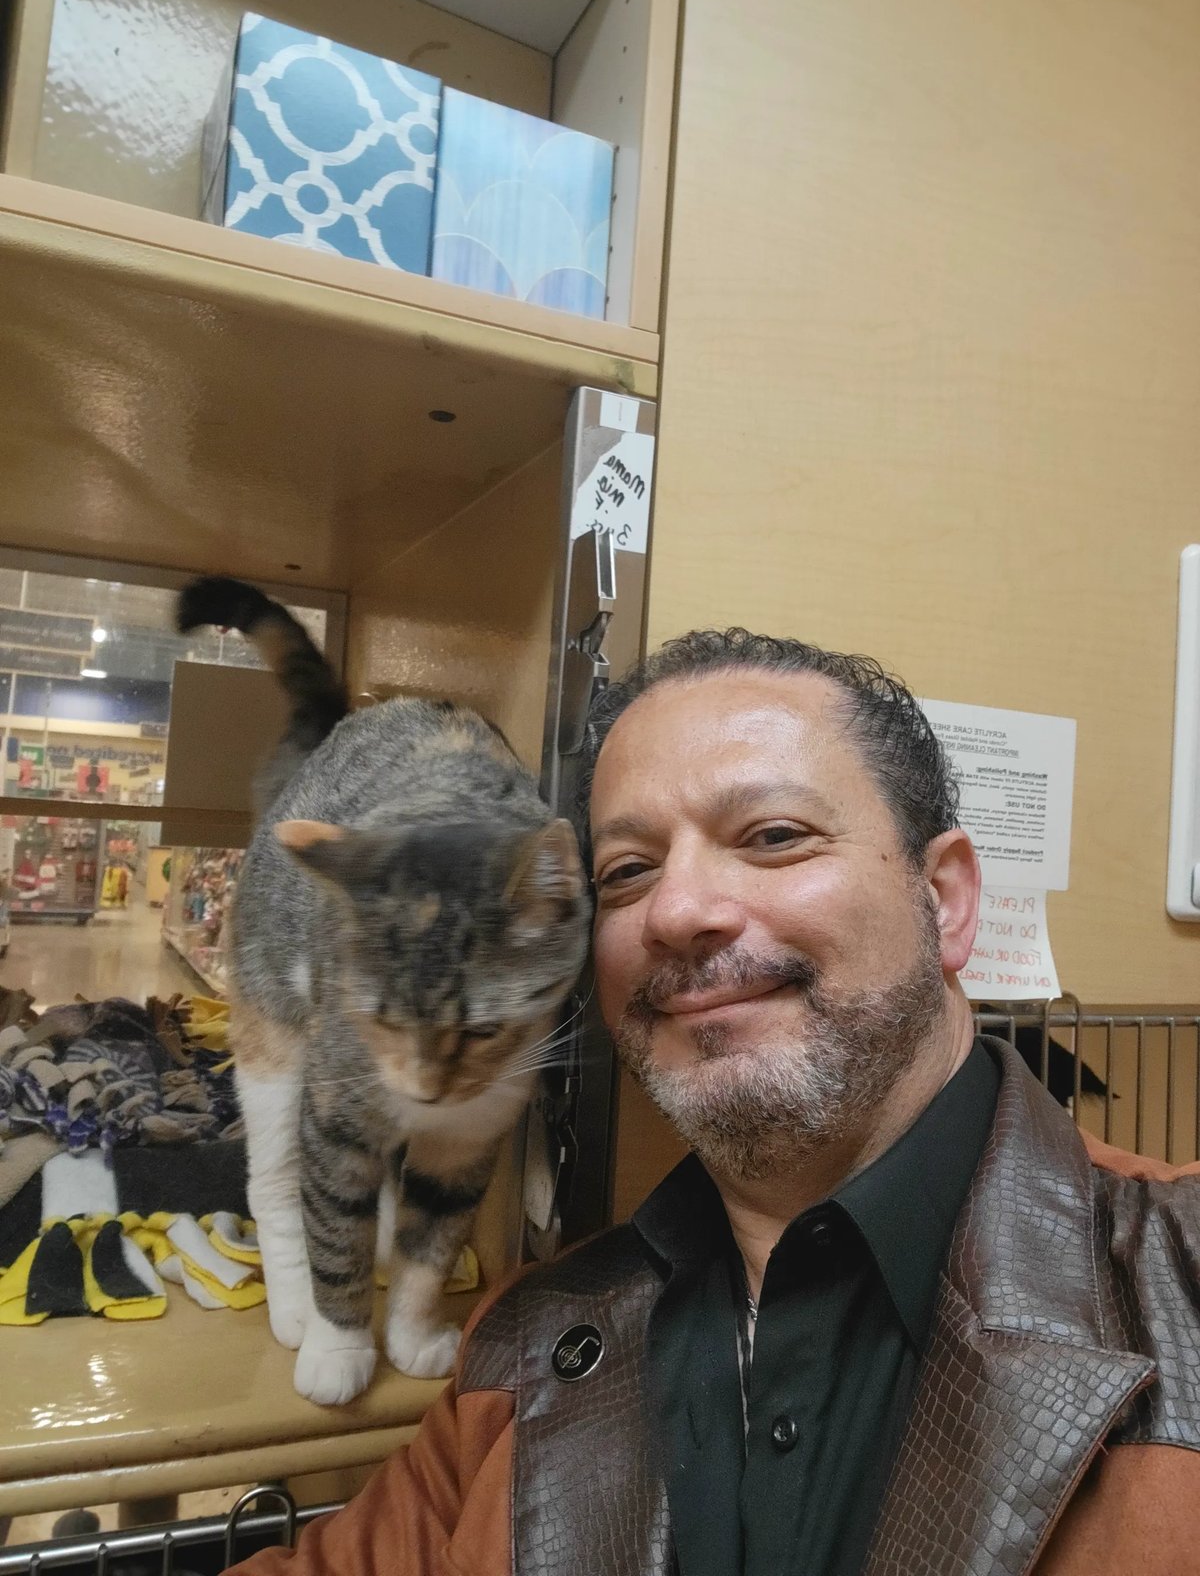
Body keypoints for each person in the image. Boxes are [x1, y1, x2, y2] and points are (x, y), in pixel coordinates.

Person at [228, 630, 1200, 1576]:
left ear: (944, 899)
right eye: (627, 871)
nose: (679, 911)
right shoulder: (516, 1354)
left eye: (773, 836)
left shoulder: (1182, 1287)